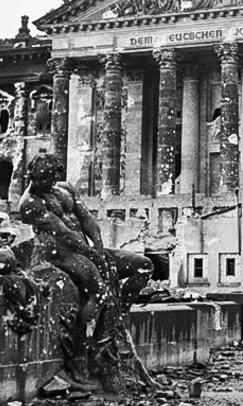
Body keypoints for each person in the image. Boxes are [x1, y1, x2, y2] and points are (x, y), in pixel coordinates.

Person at [19, 152, 154, 381]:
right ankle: (80, 354)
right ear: (32, 176)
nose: (47, 184)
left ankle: (120, 312)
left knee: (143, 266)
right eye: (42, 180)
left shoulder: (66, 189)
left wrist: (99, 248)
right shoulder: (29, 203)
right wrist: (92, 255)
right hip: (58, 252)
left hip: (84, 248)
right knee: (98, 291)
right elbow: (62, 232)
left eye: (51, 179)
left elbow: (87, 220)